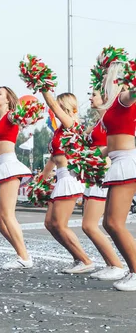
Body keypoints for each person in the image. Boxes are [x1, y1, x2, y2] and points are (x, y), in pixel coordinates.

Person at [39, 90, 92, 274]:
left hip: (69, 177)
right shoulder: (60, 130)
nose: (56, 111)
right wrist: (41, 181)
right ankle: (78, 258)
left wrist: (42, 86)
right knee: (50, 223)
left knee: (60, 224)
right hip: (60, 177)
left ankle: (85, 260)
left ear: (67, 107)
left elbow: (51, 105)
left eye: (60, 107)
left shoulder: (72, 125)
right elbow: (53, 158)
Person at [98, 58, 136, 291]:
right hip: (117, 160)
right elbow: (111, 144)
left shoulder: (124, 99)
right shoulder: (113, 104)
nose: (102, 78)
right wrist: (92, 157)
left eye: (106, 74)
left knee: (114, 222)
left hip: (127, 163)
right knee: (108, 223)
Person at [0, 86, 33, 269]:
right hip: (1, 167)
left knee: (7, 214)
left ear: (8, 100)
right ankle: (21, 253)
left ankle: (24, 257)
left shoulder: (10, 116)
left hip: (10, 167)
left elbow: (23, 117)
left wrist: (28, 111)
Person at [82, 89, 125, 280]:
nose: (91, 97)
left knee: (92, 225)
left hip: (105, 173)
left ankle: (117, 265)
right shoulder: (98, 122)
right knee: (99, 224)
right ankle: (111, 263)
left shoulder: (110, 119)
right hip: (95, 173)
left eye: (95, 94)